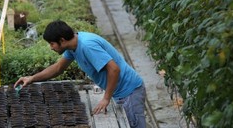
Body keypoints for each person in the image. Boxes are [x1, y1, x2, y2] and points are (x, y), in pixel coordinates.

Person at [14, 20, 146, 128]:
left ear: (62, 40)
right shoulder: (73, 46)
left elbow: (114, 69)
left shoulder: (87, 46)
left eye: (52, 44)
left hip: (129, 92)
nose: (51, 47)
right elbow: (58, 68)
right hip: (120, 92)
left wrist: (106, 98)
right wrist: (31, 78)